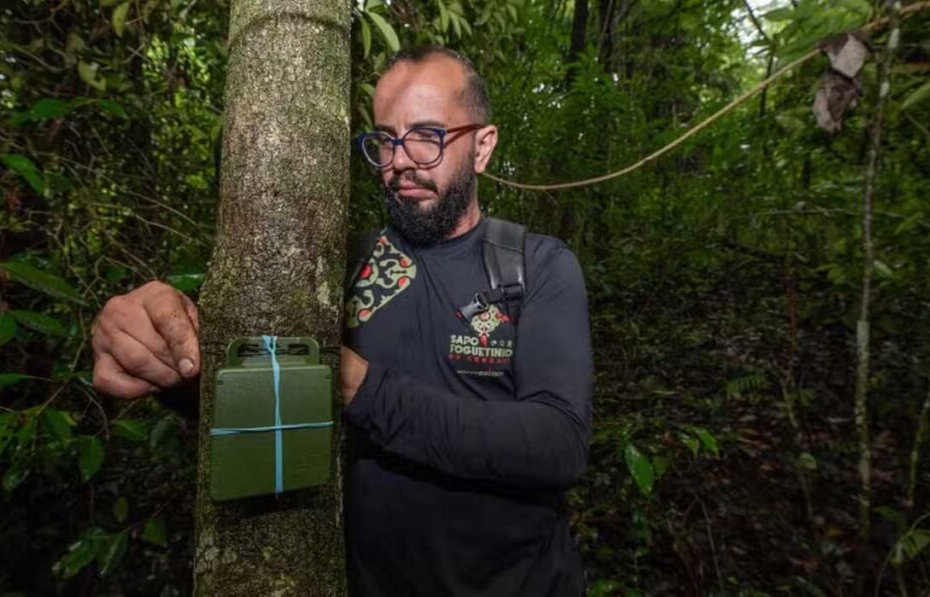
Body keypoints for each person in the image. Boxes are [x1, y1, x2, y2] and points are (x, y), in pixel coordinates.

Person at [92, 46, 593, 596]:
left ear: (482, 146)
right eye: (385, 140)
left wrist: (359, 388)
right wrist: (166, 355)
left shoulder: (535, 265)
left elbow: (558, 443)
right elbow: (258, 401)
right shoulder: (333, 271)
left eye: (427, 135)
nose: (400, 161)